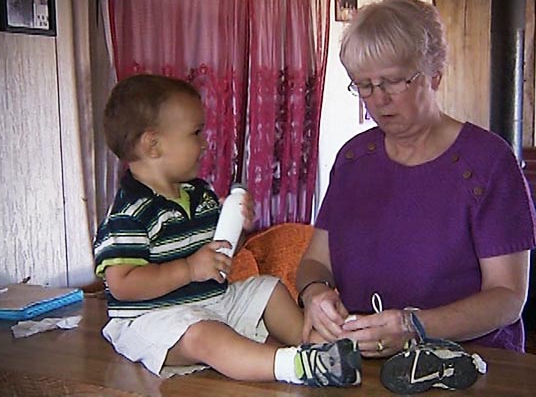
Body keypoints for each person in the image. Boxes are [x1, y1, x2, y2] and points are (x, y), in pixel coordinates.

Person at [296, 0, 536, 392]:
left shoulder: (488, 162)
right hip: (365, 369)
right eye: (364, 85)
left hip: (469, 370)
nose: (378, 99)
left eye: (393, 81)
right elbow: (315, 262)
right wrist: (315, 293)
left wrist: (414, 327)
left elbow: (507, 297)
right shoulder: (353, 159)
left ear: (434, 74)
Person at [93, 74, 361, 387]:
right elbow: (122, 284)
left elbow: (221, 256)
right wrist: (189, 269)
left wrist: (237, 228)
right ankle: (295, 366)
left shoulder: (199, 194)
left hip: (212, 301)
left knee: (270, 289)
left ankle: (321, 345)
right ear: (153, 144)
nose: (204, 143)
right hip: (154, 320)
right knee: (205, 335)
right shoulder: (129, 214)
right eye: (195, 133)